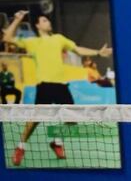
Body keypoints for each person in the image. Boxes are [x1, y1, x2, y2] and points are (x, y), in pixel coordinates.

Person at [2, 9, 112, 165]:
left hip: (61, 85)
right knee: (34, 121)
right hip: (45, 85)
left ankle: (57, 142)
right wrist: (17, 19)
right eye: (44, 21)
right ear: (37, 26)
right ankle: (20, 147)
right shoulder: (32, 42)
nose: (49, 22)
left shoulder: (59, 39)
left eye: (48, 20)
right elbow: (7, 37)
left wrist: (98, 53)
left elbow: (77, 49)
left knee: (72, 120)